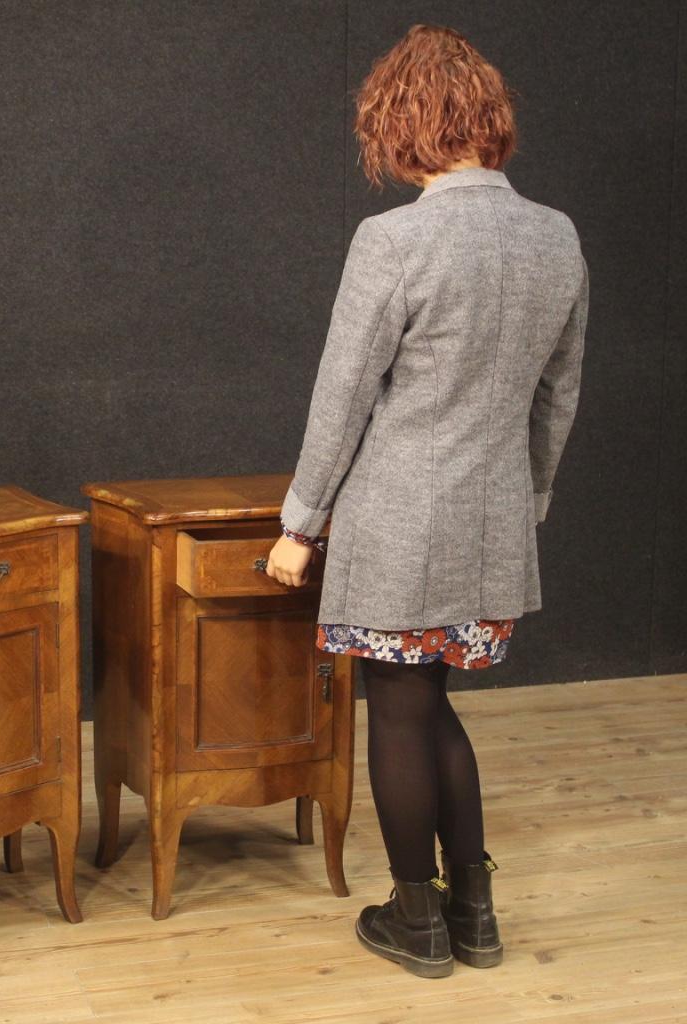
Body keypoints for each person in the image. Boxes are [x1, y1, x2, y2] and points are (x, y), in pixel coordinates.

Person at [265, 24, 589, 979]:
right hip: (492, 520)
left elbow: (343, 392)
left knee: (399, 710)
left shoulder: (395, 239)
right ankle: (475, 915)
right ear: (487, 118)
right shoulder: (556, 235)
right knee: (432, 705)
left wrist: (300, 524)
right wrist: (527, 500)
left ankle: (416, 924)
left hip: (399, 519)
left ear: (400, 126)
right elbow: (557, 396)